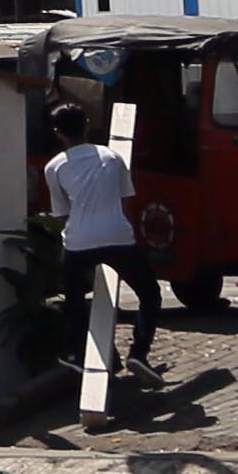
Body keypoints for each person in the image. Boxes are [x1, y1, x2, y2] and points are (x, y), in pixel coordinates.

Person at [45, 104, 159, 368]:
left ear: (58, 133)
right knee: (149, 294)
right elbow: (126, 202)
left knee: (73, 299)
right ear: (87, 124)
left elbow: (61, 213)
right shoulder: (112, 158)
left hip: (79, 241)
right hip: (117, 236)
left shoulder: (54, 167)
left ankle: (78, 355)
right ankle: (138, 353)